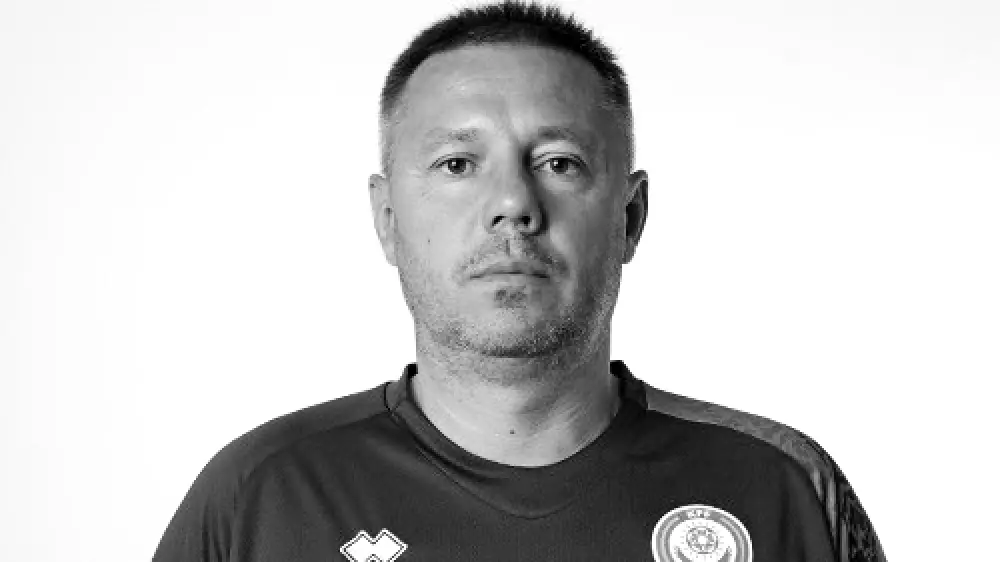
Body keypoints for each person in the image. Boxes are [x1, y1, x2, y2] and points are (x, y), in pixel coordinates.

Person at [153, 2, 886, 561]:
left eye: (559, 163)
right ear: (387, 218)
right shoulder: (259, 497)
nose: (513, 203)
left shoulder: (782, 485)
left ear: (630, 217)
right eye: (457, 164)